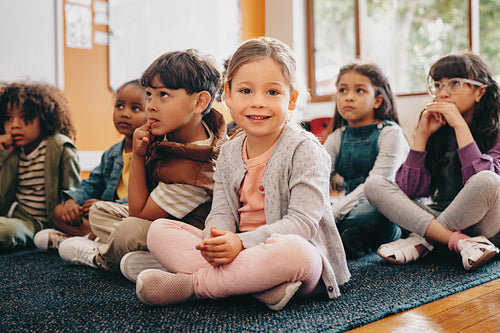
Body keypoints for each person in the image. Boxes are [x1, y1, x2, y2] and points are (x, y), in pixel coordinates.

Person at [134, 37, 350, 311]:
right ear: (228, 93)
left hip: (293, 256)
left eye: (272, 92)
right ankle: (257, 286)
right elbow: (222, 210)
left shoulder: (307, 150)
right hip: (236, 252)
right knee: (159, 231)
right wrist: (219, 238)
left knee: (296, 253)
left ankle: (195, 286)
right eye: (246, 91)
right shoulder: (229, 150)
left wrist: (240, 243)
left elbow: (302, 224)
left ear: (292, 99)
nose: (258, 102)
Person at [57, 49, 227, 274]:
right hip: (159, 221)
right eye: (149, 94)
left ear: (199, 102)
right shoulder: (175, 131)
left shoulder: (197, 167)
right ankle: (143, 257)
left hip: (187, 239)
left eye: (163, 95)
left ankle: (100, 256)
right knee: (99, 210)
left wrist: (138, 156)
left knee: (130, 228)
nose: (151, 106)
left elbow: (139, 213)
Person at [365, 53, 500, 270]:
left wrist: (460, 126)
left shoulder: (496, 132)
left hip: (486, 225)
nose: (443, 93)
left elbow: (483, 186)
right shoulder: (439, 131)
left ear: (479, 91)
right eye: (438, 85)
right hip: (440, 214)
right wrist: (423, 135)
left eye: (455, 83)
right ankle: (458, 242)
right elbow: (409, 190)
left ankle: (423, 242)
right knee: (374, 184)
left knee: (488, 180)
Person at [33, 79, 147, 250]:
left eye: (135, 108)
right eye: (120, 106)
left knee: (124, 226)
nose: (124, 113)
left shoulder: (151, 153)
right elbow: (92, 183)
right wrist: (72, 201)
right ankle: (93, 240)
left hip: (128, 215)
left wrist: (106, 207)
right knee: (59, 211)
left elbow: (146, 198)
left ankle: (79, 242)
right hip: (102, 217)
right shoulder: (112, 153)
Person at [323, 62, 409, 258]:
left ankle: (392, 235)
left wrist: (333, 214)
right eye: (342, 90)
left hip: (382, 207)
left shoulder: (391, 134)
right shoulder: (337, 136)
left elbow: (374, 186)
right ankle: (350, 240)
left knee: (372, 214)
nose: (348, 97)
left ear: (377, 101)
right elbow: (315, 177)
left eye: (359, 90)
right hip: (350, 207)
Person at [0, 82, 80, 250]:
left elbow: (73, 192)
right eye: (8, 118)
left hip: (36, 221)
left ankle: (53, 235)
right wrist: (3, 153)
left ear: (44, 117)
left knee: (5, 231)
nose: (15, 125)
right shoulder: (13, 151)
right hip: (13, 213)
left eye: (25, 117)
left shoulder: (59, 147)